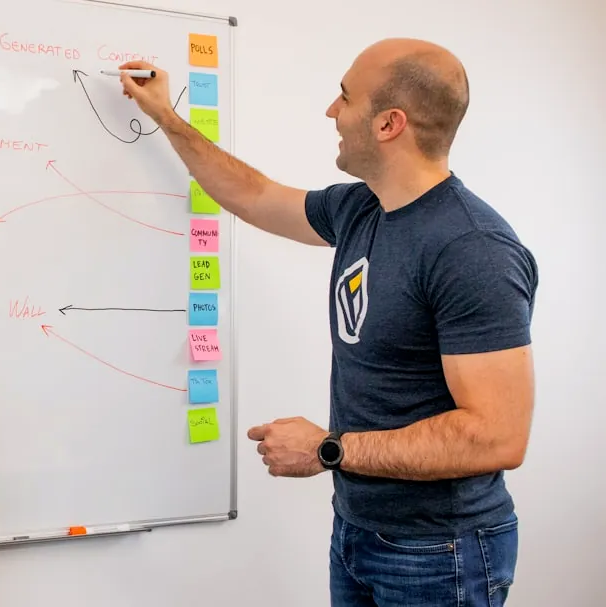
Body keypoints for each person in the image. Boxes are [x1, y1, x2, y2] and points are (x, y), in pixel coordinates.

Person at [117, 38, 537, 606]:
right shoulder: (360, 208)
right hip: (358, 532)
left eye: (344, 97)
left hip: (441, 552)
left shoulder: (471, 248)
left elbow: (497, 436)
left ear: (389, 124)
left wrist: (328, 450)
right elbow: (254, 194)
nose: (331, 111)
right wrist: (166, 116)